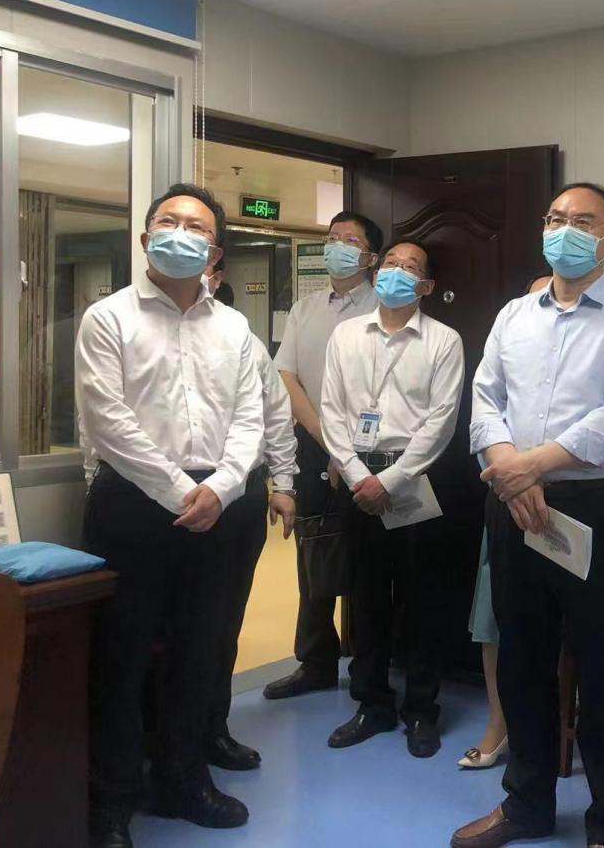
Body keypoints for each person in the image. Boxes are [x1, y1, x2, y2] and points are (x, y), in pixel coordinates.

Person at [453, 184, 604, 848]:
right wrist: (509, 467)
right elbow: (486, 398)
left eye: (582, 222)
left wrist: (530, 467)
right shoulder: (515, 315)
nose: (563, 230)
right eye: (554, 218)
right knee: (521, 660)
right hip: (513, 503)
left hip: (595, 507)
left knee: (603, 669)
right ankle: (526, 806)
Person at [76, 184, 263, 848]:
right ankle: (111, 800)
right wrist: (182, 489)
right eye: (168, 221)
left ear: (214, 250)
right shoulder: (108, 318)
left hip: (216, 504)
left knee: (199, 649)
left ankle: (184, 780)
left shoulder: (234, 327)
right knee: (121, 654)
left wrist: (226, 485)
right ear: (145, 237)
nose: (181, 232)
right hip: (132, 503)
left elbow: (250, 418)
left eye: (197, 226)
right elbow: (108, 420)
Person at [319, 238, 465, 756]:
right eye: (391, 263)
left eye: (411, 267)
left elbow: (441, 421)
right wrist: (359, 474)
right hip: (358, 478)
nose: (396, 272)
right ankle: (372, 704)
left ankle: (421, 709)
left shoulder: (444, 340)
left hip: (415, 481)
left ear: (425, 286)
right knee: (366, 598)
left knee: (424, 600)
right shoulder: (346, 334)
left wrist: (391, 480)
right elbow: (331, 410)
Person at [263, 211, 382, 701]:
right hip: (314, 444)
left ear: (370, 257)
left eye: (350, 240)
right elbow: (285, 375)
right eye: (333, 238)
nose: (338, 246)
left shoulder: (382, 306)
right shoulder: (305, 308)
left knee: (368, 559)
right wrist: (325, 440)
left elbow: (379, 386)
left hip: (369, 448)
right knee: (312, 552)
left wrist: (347, 450)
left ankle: (372, 672)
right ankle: (315, 662)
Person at [201, 260, 298, 772]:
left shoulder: (241, 336)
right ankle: (156, 744)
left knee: (223, 620)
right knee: (159, 626)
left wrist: (283, 483)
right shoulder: (122, 323)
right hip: (159, 498)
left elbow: (275, 413)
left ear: (216, 274)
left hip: (238, 495)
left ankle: (212, 729)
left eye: (208, 260)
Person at [459, 272, 551, 772]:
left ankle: (548, 728)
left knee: (559, 624)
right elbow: (485, 418)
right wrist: (512, 478)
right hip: (506, 500)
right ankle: (499, 722)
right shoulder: (506, 356)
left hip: (568, 503)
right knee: (494, 620)